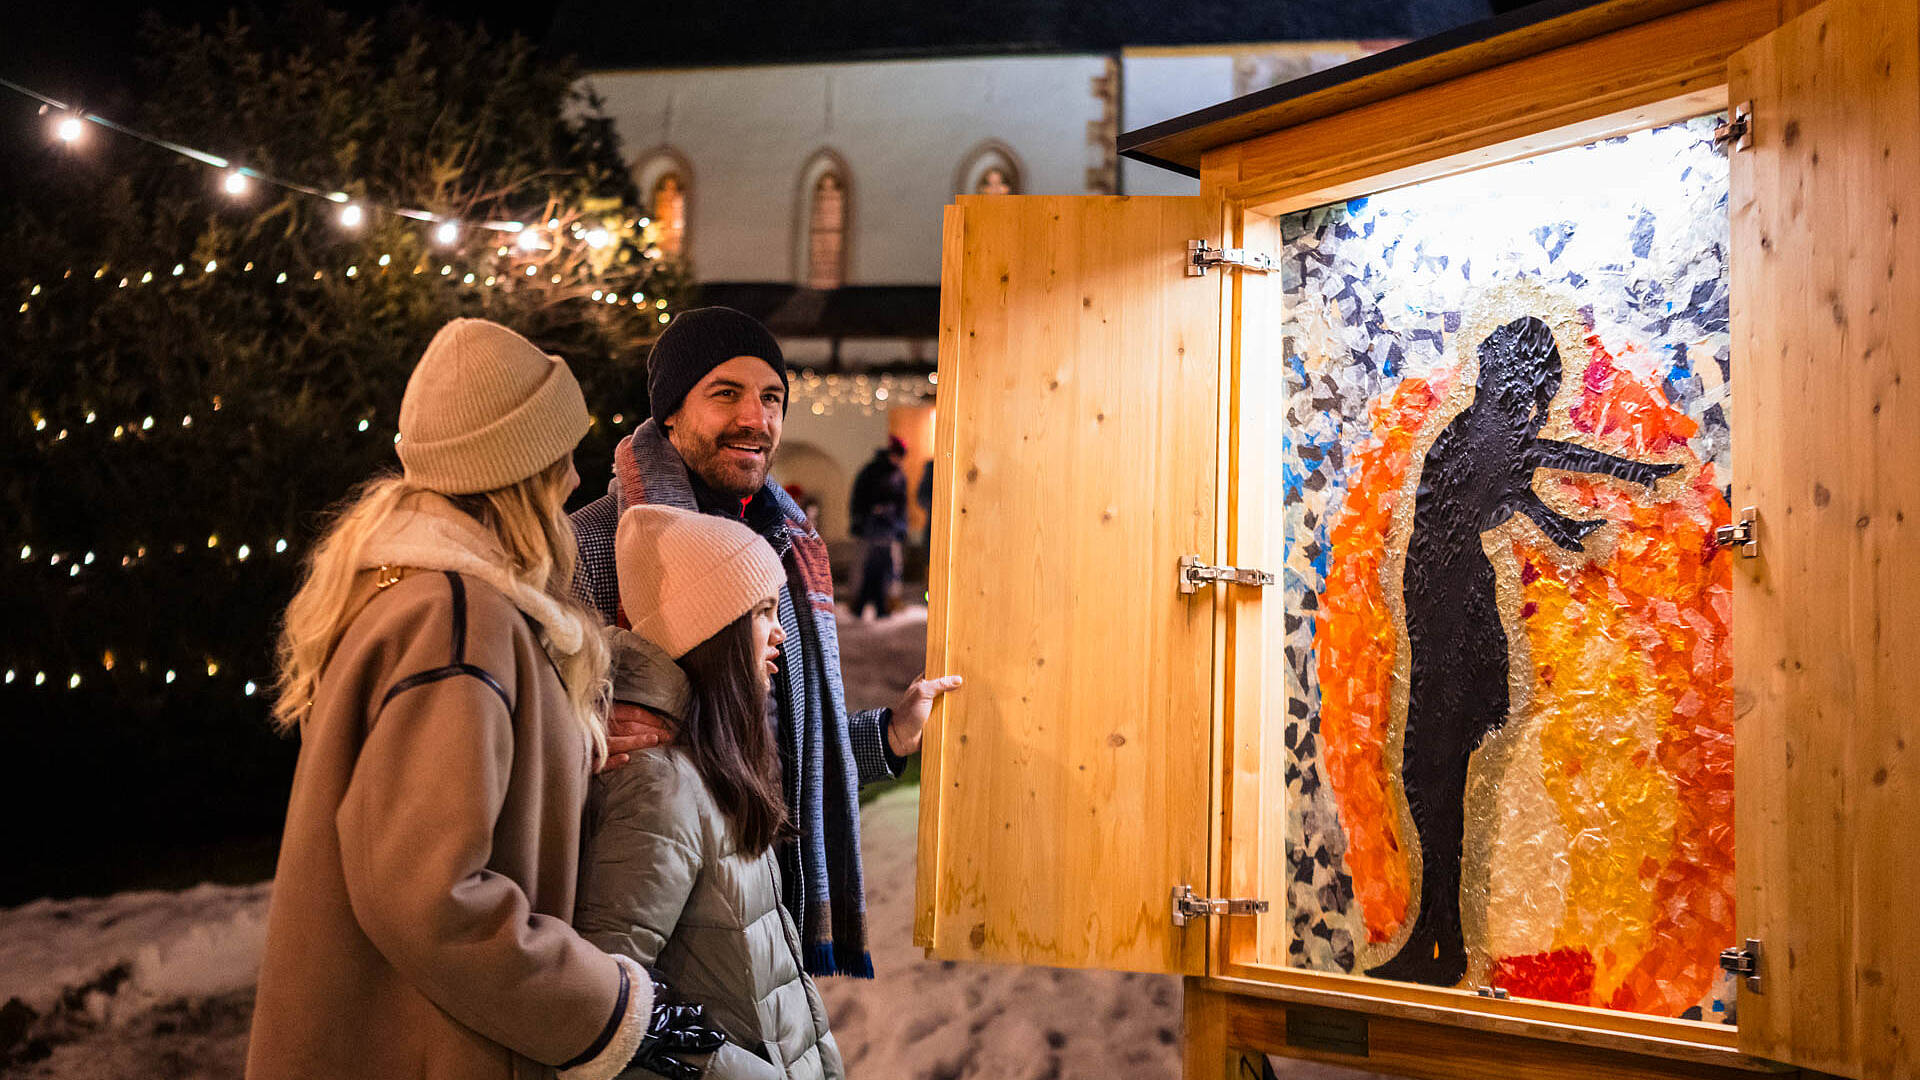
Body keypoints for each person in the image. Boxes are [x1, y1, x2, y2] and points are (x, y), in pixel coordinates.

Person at [248, 319, 723, 1080]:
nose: (573, 482)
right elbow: (430, 897)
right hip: (429, 1047)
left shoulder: (420, 594)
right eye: (560, 458)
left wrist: (567, 740)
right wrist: (612, 1009)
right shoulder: (456, 619)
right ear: (519, 474)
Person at [571, 305, 960, 978]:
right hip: (649, 935)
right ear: (671, 413)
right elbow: (526, 745)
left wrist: (889, 736)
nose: (756, 418)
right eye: (726, 393)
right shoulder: (590, 546)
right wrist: (582, 733)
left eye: (772, 397)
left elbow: (776, 750)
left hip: (768, 909)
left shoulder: (786, 547)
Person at [576, 505, 847, 1080]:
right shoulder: (659, 781)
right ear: (712, 632)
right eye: (763, 611)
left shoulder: (716, 758)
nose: (779, 631)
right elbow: (606, 1003)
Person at [848, 436, 909, 620]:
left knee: (888, 569)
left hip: (888, 528)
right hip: (871, 527)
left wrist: (901, 526)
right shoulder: (872, 472)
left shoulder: (897, 475)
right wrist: (859, 520)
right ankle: (860, 605)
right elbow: (858, 498)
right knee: (867, 567)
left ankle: (884, 605)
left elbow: (902, 504)